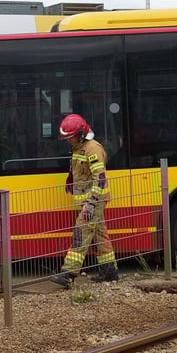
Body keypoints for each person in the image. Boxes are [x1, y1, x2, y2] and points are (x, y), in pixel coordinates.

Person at [51, 114, 119, 288]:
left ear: (81, 134)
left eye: (70, 137)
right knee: (100, 234)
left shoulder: (93, 149)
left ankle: (69, 273)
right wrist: (70, 177)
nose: (68, 140)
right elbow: (80, 170)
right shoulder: (78, 147)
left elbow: (100, 179)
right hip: (90, 201)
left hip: (94, 200)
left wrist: (91, 204)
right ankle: (110, 271)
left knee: (81, 232)